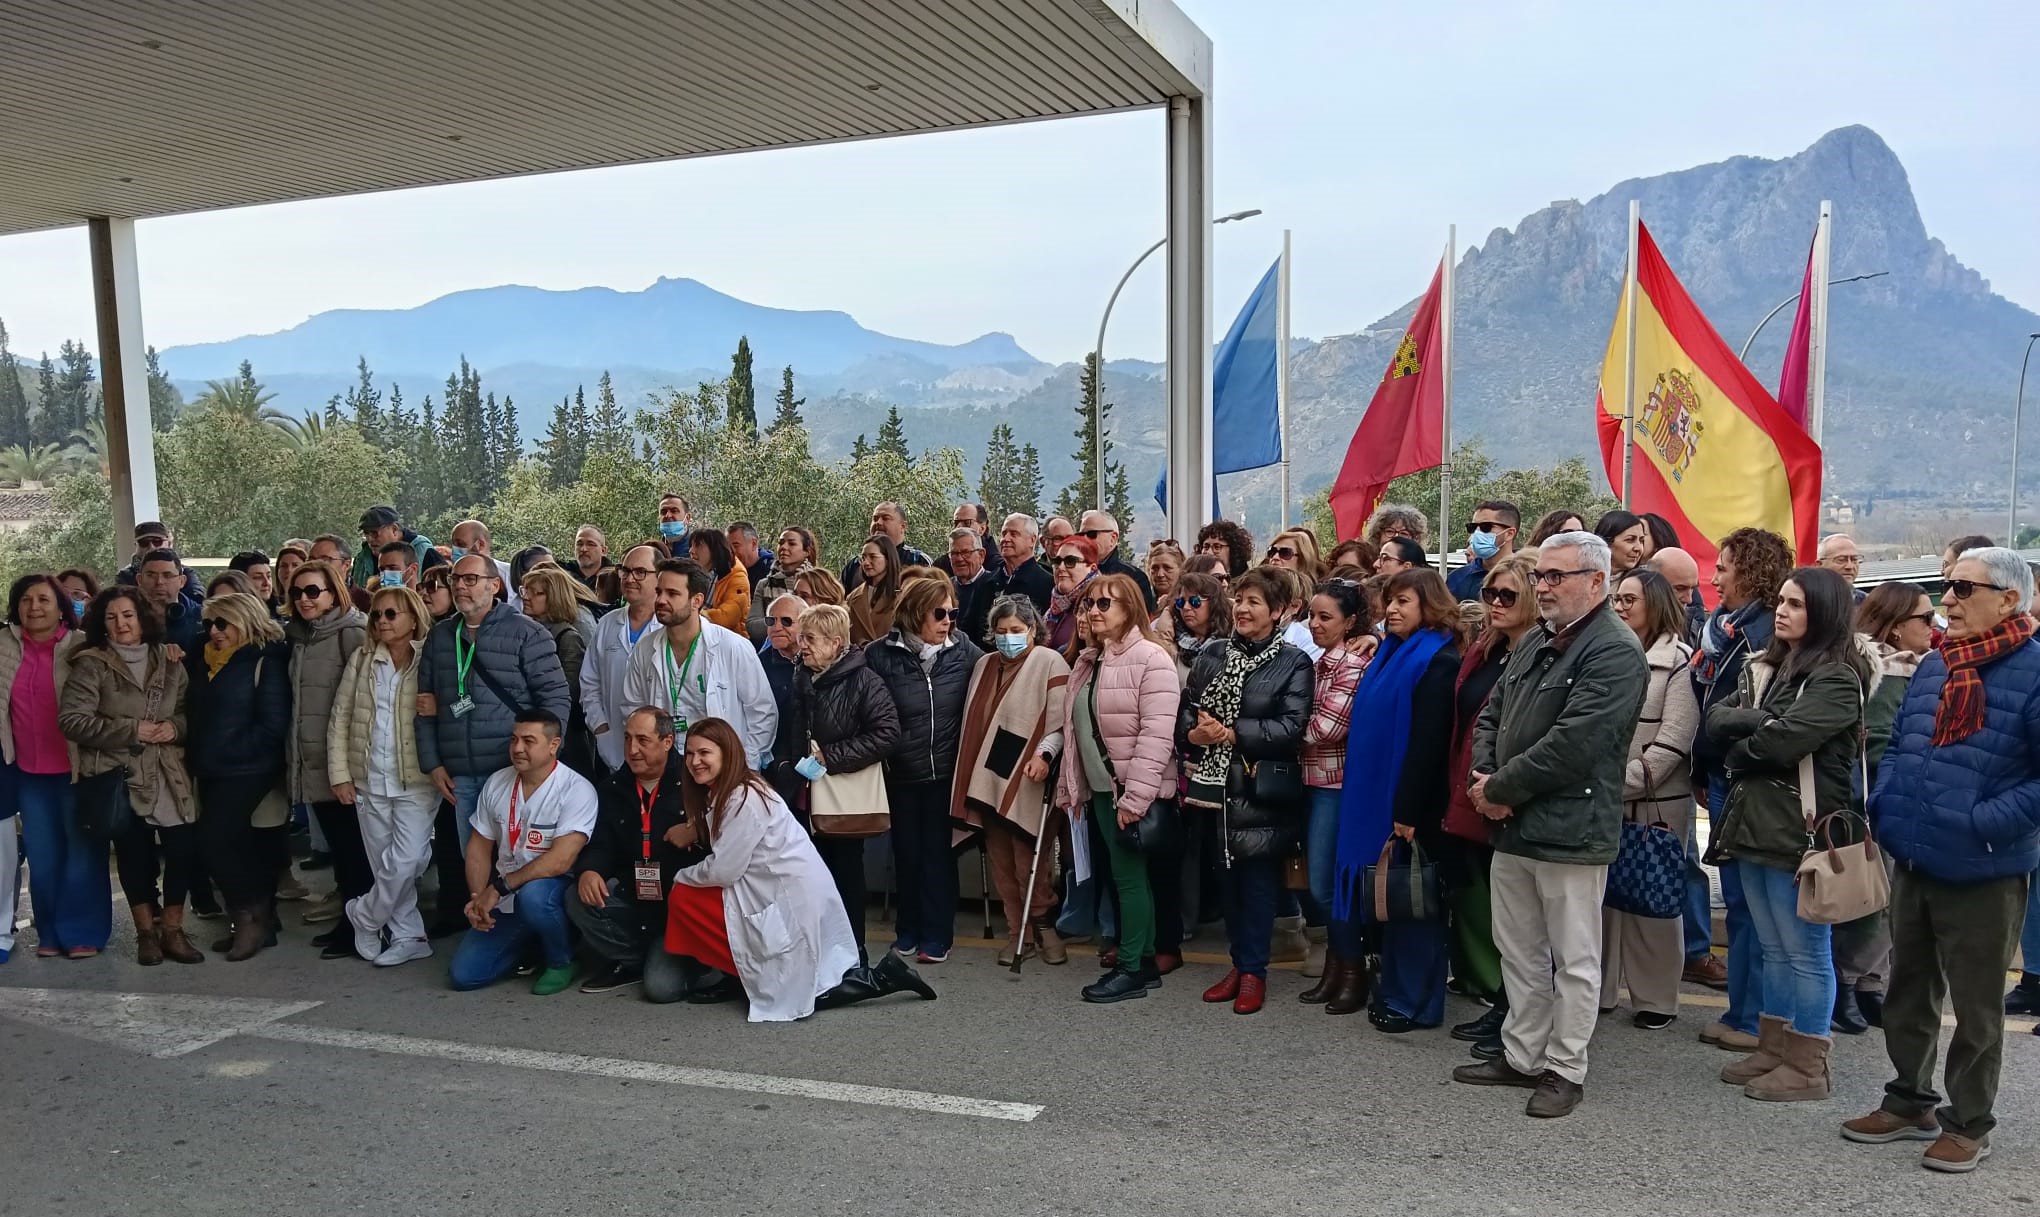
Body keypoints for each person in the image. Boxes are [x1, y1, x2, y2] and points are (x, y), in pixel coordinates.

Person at [1843, 548, 2040, 1171]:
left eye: (1961, 588)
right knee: (1907, 989)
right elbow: (1901, 744)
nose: (1947, 601)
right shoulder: (1936, 665)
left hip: (1983, 867)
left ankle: (1968, 1122)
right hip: (1917, 854)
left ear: (2009, 600)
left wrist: (1982, 823)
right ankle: (1908, 1101)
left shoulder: (2034, 670)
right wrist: (1893, 809)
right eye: (1946, 588)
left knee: (1977, 1007)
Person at [1452, 530, 1648, 1119]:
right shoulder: (1538, 639)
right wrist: (1487, 782)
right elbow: (1493, 714)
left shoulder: (1614, 650)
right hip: (1513, 824)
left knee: (1575, 957)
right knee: (1519, 949)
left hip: (1569, 828)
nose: (1543, 587)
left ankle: (1566, 1068)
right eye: (1541, 576)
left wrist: (1501, 789)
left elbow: (1577, 744)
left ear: (1596, 581)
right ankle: (1522, 1055)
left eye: (1555, 577)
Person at [1704, 565, 1869, 1103]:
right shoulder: (1773, 667)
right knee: (1774, 948)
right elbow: (1716, 717)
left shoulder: (1837, 678)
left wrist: (1745, 738)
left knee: (1804, 950)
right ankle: (1773, 1049)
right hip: (1756, 822)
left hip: (1798, 829)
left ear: (1822, 612)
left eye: (1796, 604)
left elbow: (1783, 743)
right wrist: (1758, 727)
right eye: (1781, 600)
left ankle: (1808, 1064)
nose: (1782, 610)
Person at [665, 718, 936, 1020]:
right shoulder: (730, 790)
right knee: (794, 980)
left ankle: (885, 978)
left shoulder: (744, 798)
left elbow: (725, 870)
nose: (694, 761)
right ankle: (738, 976)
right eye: (689, 754)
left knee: (794, 993)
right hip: (776, 892)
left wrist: (681, 876)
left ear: (727, 753)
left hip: (788, 901)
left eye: (704, 753)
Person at [1328, 569, 1460, 1033]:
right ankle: (1397, 990)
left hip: (1411, 806)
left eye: (1404, 601)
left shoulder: (1439, 658)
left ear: (1430, 604)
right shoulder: (1390, 650)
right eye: (1389, 601)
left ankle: (1417, 1004)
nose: (1392, 610)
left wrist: (1406, 812)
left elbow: (1427, 744)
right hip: (1377, 798)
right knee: (1396, 903)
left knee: (1415, 906)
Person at [1181, 566, 1314, 1015]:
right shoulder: (1213, 653)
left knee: (1257, 883)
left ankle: (1255, 972)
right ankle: (1239, 964)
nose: (1243, 608)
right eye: (1240, 600)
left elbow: (1291, 727)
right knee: (1227, 882)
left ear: (1278, 611)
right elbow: (1188, 710)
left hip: (1258, 791)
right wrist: (1194, 735)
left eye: (1255, 602)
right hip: (1212, 787)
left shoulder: (1294, 662)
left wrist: (1233, 733)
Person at [1691, 527, 1794, 1049]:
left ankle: (1753, 1019)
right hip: (1719, 775)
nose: (1714, 576)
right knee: (1741, 903)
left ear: (1750, 572)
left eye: (1724, 568)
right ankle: (1745, 1013)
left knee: (1752, 907)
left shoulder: (1758, 638)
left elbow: (1739, 715)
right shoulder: (1724, 629)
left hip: (1739, 778)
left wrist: (1718, 733)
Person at [60, 587, 199, 966]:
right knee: (134, 854)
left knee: (182, 849)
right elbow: (71, 720)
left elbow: (189, 711)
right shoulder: (91, 663)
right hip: (118, 773)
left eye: (128, 615)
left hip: (169, 772)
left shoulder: (170, 658)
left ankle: (173, 928)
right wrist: (131, 730)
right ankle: (146, 934)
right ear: (100, 623)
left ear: (142, 618)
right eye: (111, 617)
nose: (121, 623)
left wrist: (175, 728)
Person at [1053, 576, 1177, 1001]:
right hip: (1104, 791)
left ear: (1132, 607)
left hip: (1129, 791)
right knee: (1127, 877)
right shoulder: (1092, 659)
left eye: (1106, 603)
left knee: (1128, 879)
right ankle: (1141, 961)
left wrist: (1135, 798)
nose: (1093, 610)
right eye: (1089, 603)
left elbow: (1156, 737)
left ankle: (1132, 967)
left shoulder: (1151, 659)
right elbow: (1076, 730)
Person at [1441, 554, 1541, 1059]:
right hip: (1471, 785)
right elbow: (1475, 723)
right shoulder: (1486, 648)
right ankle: (1501, 1000)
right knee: (1488, 905)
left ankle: (1516, 1010)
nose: (1496, 603)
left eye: (1508, 595)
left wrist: (1498, 788)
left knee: (1519, 919)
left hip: (1513, 796)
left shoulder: (1544, 653)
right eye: (1490, 594)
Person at [418, 553, 572, 865]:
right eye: (455, 579)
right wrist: (432, 764)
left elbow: (555, 698)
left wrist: (544, 757)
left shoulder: (526, 632)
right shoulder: (440, 636)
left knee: (519, 862)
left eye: (471, 579)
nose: (461, 586)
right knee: (474, 863)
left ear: (494, 585)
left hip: (515, 770)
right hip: (462, 775)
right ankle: (481, 914)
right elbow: (424, 707)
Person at [864, 576, 983, 963]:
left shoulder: (964, 650)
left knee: (938, 856)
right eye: (939, 613)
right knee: (907, 854)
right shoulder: (880, 654)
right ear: (916, 613)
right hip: (900, 773)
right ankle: (908, 930)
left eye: (952, 612)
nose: (947, 620)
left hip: (946, 775)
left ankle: (937, 935)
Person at [1601, 569, 1700, 1030]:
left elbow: (1676, 736)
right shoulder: (1605, 654)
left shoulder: (1678, 660)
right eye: (1616, 598)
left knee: (1653, 898)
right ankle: (1599, 992)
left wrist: (1628, 779)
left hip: (1658, 801)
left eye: (1629, 599)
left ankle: (1656, 999)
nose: (1619, 606)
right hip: (1602, 797)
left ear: (1654, 604)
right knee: (1601, 901)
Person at [1834, 581, 1934, 1032]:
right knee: (1873, 898)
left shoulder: (1925, 669)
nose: (1936, 627)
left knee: (1892, 900)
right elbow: (1873, 748)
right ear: (1894, 628)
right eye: (1925, 619)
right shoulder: (1878, 675)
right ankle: (1848, 980)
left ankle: (1870, 984)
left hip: (1908, 801)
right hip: (1878, 803)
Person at [775, 603, 899, 961]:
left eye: (810, 639)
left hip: (842, 801)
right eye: (802, 639)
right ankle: (817, 949)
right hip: (805, 794)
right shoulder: (804, 676)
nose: (803, 646)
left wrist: (832, 755)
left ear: (836, 643)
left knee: (845, 875)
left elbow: (888, 734)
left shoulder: (864, 681)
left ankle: (852, 952)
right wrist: (786, 767)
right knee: (810, 877)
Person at [951, 596, 1070, 965]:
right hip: (987, 777)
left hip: (1030, 775)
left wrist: (1044, 755)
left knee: (1029, 862)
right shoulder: (985, 665)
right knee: (1002, 865)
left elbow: (1059, 723)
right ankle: (1018, 933)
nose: (1008, 638)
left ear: (1032, 630)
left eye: (1016, 631)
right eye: (1001, 632)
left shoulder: (1049, 662)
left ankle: (1044, 925)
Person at [326, 584, 440, 967]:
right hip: (368, 777)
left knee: (406, 861)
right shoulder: (362, 659)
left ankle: (365, 915)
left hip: (416, 779)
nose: (381, 621)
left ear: (413, 618)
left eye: (391, 614)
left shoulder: (429, 659)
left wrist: (438, 707)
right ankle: (410, 935)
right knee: (384, 863)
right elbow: (340, 718)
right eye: (376, 614)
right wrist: (340, 774)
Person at [447, 712, 598, 994]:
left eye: (529, 741)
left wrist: (499, 887)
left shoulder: (576, 789)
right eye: (514, 739)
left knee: (534, 896)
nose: (517, 748)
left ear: (554, 745)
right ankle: (532, 942)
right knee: (464, 976)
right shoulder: (497, 782)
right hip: (505, 893)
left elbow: (561, 860)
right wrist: (479, 897)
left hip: (553, 890)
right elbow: (479, 846)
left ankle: (561, 959)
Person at [567, 707, 707, 997]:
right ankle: (632, 959)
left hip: (680, 906)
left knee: (660, 990)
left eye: (643, 740)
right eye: (628, 739)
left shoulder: (695, 782)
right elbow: (601, 843)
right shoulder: (613, 788)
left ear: (667, 742)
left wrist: (697, 829)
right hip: (636, 896)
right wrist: (590, 870)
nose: (632, 749)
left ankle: (692, 960)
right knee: (576, 895)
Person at [188, 591, 291, 961]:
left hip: (249, 767)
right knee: (228, 843)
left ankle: (252, 918)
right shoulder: (204, 659)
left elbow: (273, 724)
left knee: (214, 841)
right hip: (211, 766)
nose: (214, 632)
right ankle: (253, 920)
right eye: (209, 624)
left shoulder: (265, 659)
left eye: (223, 624)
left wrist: (230, 750)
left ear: (245, 621)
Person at [1, 575, 94, 960]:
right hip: (26, 770)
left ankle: (83, 932)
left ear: (62, 607)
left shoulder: (82, 646)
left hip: (77, 768)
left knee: (80, 854)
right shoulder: (4, 645)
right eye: (25, 599)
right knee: (42, 858)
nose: (34, 607)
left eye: (43, 599)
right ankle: (52, 932)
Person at [284, 557, 374, 957]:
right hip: (309, 759)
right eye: (297, 592)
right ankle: (351, 921)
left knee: (355, 849)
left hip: (342, 762)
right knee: (341, 849)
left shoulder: (350, 633)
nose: (304, 599)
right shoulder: (298, 636)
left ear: (332, 591)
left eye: (313, 591)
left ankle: (361, 927)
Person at [621, 558, 778, 769]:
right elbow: (633, 707)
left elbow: (762, 712)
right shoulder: (645, 648)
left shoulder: (733, 647)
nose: (661, 600)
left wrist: (744, 766)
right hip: (666, 767)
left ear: (697, 601)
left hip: (721, 768)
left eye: (672, 594)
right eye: (659, 592)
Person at [1297, 578, 1373, 993]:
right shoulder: (1319, 662)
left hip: (1334, 785)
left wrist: (1276, 731)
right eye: (1311, 615)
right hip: (1310, 781)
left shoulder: (1353, 665)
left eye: (1325, 617)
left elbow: (1326, 729)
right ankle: (1338, 967)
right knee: (1316, 882)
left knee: (1326, 885)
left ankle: (1351, 967)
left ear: (1350, 623)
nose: (1314, 624)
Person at [583, 545, 664, 777]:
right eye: (624, 571)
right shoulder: (608, 624)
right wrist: (600, 727)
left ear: (659, 576)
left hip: (659, 750)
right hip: (613, 744)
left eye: (640, 572)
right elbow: (590, 681)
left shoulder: (669, 627)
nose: (629, 579)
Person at [519, 565, 593, 775]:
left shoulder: (567, 638)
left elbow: (569, 693)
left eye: (537, 593)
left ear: (555, 597)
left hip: (564, 739)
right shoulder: (524, 632)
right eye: (525, 590)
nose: (527, 597)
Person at [841, 502, 929, 592]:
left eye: (886, 518)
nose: (878, 522)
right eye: (875, 519)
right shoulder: (855, 564)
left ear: (903, 526)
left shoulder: (917, 560)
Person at [749, 526, 816, 643]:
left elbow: (822, 622)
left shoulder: (818, 583)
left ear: (807, 551)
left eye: (792, 544)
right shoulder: (764, 585)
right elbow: (753, 627)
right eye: (781, 543)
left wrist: (772, 622)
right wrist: (787, 623)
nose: (784, 547)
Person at [1079, 510, 1155, 612]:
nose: (1085, 539)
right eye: (1080, 535)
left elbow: (1140, 620)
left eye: (1091, 534)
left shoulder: (1134, 578)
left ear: (1113, 539)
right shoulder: (1074, 573)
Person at [1448, 500, 1520, 602]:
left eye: (1486, 527)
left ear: (1509, 534)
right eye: (1472, 527)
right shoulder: (1456, 579)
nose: (1477, 533)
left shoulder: (1528, 578)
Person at [352, 505, 436, 592]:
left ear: (394, 529)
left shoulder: (424, 551)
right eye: (366, 533)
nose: (369, 539)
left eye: (374, 533)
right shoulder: (362, 558)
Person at [115, 520, 204, 601]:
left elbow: (198, 601)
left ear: (169, 543)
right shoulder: (125, 576)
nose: (151, 547)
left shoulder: (186, 572)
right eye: (144, 543)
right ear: (136, 546)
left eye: (157, 541)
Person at [136, 547, 201, 656]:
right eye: (151, 575)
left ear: (182, 581)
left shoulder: (201, 617)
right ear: (139, 580)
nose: (159, 582)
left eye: (167, 575)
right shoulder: (126, 617)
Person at [1043, 534, 1101, 654]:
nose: (1061, 567)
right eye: (1057, 561)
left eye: (1070, 561)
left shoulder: (1099, 608)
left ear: (1092, 568)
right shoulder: (1055, 609)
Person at [690, 526, 752, 635]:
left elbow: (728, 617)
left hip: (730, 639)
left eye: (698, 546)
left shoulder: (737, 577)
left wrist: (691, 616)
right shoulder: (697, 572)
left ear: (714, 549)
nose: (691, 551)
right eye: (691, 546)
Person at [845, 534, 903, 646]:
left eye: (873, 557)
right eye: (863, 558)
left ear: (888, 558)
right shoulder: (853, 597)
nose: (866, 563)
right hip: (861, 660)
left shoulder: (903, 594)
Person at [989, 513, 1053, 612]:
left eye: (1014, 534)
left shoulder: (1047, 585)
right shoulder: (987, 583)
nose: (1005, 539)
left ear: (1032, 540)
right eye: (1004, 533)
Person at [449, 519, 518, 608]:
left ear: (480, 544)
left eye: (460, 544)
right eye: (453, 544)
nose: (455, 550)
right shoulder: (449, 575)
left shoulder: (510, 574)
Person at [948, 527, 999, 646]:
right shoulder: (945, 588)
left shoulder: (994, 587)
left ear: (981, 555)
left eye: (966, 553)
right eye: (954, 553)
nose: (959, 559)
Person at [1646, 546, 1706, 645]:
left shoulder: (1694, 632)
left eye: (1693, 589)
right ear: (1651, 584)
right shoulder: (1626, 621)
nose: (1689, 600)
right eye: (1680, 589)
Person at [1146, 540, 1186, 630]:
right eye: (1155, 568)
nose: (1160, 574)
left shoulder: (1187, 604)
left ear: (1181, 570)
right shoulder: (1142, 601)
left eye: (1167, 568)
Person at [570, 524, 616, 592]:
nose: (583, 549)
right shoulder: (563, 575)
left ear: (603, 551)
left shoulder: (615, 579)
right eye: (579, 544)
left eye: (590, 544)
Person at [1363, 504, 1428, 550]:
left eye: (1403, 533)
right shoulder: (1366, 566)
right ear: (1378, 535)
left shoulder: (1421, 569)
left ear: (1415, 539)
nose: (1396, 537)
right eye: (1390, 531)